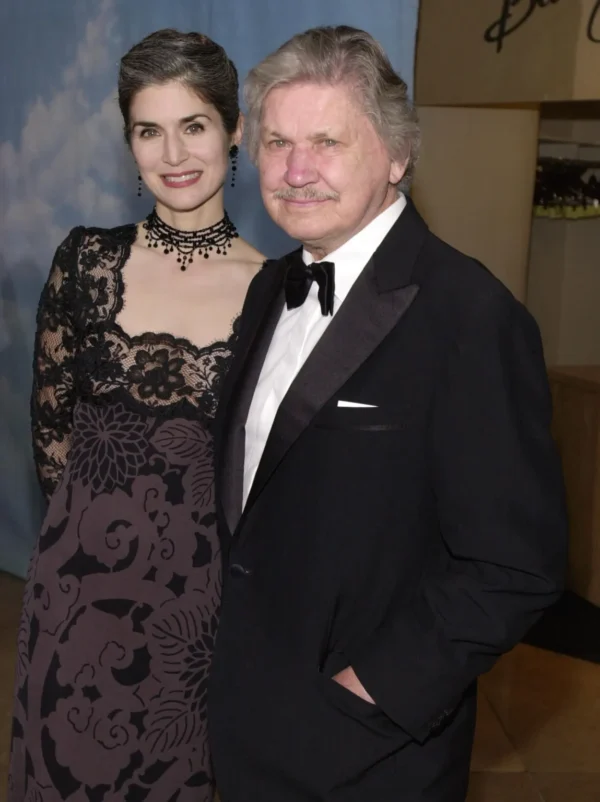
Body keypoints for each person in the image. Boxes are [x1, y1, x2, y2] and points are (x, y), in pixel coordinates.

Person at [208, 25, 568, 802]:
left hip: (365, 758)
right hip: (245, 717)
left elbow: (515, 566)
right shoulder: (269, 287)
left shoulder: (470, 316)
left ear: (397, 156)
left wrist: (365, 696)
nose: (295, 171)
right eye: (277, 142)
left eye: (327, 142)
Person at [8, 28, 263, 802]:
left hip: (201, 617)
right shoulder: (86, 261)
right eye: (149, 131)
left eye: (194, 125)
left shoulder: (276, 291)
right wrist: (83, 568)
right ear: (129, 144)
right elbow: (52, 441)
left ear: (234, 131)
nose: (173, 154)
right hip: (75, 602)